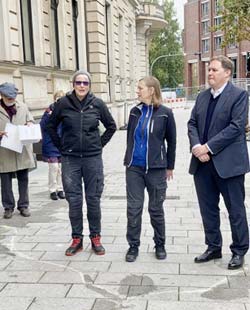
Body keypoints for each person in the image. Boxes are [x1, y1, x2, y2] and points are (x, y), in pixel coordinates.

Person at [187, 56, 249, 270]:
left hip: (229, 165)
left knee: (235, 209)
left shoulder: (239, 95)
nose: (209, 73)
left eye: (214, 70)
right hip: (202, 164)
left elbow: (236, 127)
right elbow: (192, 123)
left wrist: (208, 147)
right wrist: (197, 147)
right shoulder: (202, 97)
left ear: (227, 73)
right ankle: (213, 247)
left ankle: (239, 250)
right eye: (209, 70)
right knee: (208, 209)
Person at [46, 69, 116, 256]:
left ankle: (96, 237)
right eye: (79, 83)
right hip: (71, 160)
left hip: (93, 159)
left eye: (85, 83)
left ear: (89, 85)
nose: (82, 86)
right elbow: (50, 126)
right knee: (74, 201)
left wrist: (99, 144)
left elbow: (111, 126)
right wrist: (61, 146)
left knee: (93, 200)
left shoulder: (97, 104)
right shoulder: (63, 104)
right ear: (73, 84)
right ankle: (77, 239)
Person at [124, 76, 177, 262]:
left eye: (140, 88)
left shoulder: (165, 113)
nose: (137, 91)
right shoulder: (134, 112)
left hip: (156, 169)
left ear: (151, 90)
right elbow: (130, 138)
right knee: (134, 208)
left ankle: (160, 244)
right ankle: (133, 246)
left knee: (155, 208)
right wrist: (129, 158)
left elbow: (172, 142)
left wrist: (169, 166)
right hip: (134, 169)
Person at [0, 82, 35, 219]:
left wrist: (30, 124)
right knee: (5, 181)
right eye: (8, 97)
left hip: (21, 149)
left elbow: (30, 120)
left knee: (23, 179)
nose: (12, 100)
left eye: (13, 97)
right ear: (2, 95)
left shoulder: (23, 106)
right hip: (4, 150)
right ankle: (8, 207)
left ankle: (24, 205)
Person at [40, 90, 65, 200]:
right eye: (57, 97)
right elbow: (42, 125)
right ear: (54, 98)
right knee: (54, 167)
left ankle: (60, 189)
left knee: (60, 168)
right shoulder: (49, 110)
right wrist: (48, 116)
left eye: (61, 97)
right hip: (50, 143)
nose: (59, 99)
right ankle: (52, 190)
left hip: (62, 143)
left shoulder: (66, 110)